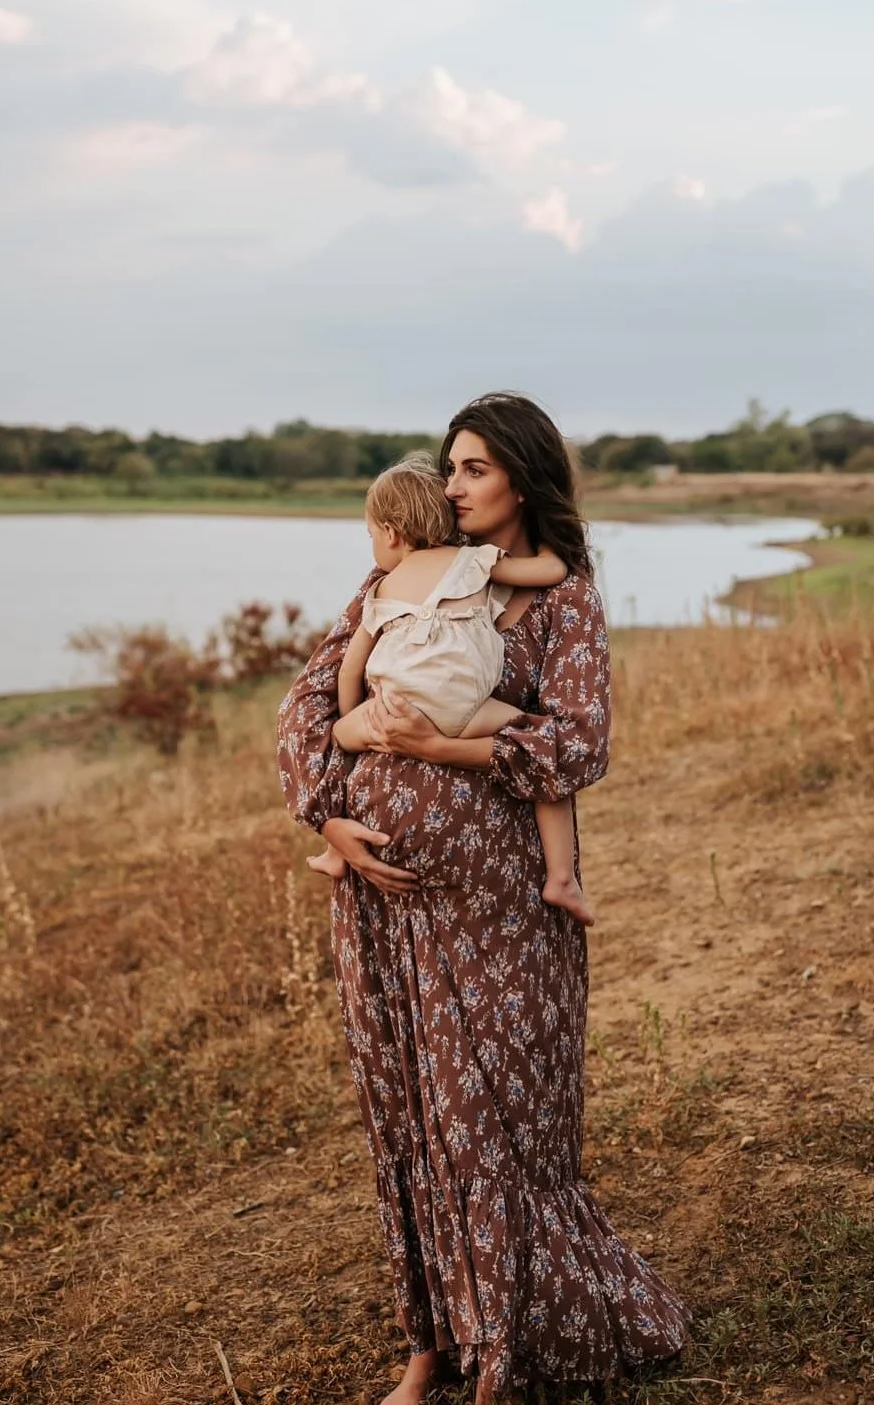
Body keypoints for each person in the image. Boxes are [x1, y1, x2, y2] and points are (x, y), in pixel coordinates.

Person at [278, 392, 686, 1405]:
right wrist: (328, 818)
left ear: (521, 479)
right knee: (410, 1115)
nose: (452, 486)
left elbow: (576, 744)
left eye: (472, 470)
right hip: (379, 902)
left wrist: (435, 747)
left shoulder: (561, 599)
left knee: (493, 1120)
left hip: (498, 909)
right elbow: (308, 702)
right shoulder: (395, 573)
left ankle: (505, 1344)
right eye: (448, 470)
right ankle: (428, 1345)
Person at [306, 451, 595, 925]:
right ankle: (562, 877)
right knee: (543, 753)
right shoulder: (473, 562)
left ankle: (334, 852)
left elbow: (347, 668)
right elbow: (551, 573)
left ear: (393, 533)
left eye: (371, 535)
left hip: (393, 706)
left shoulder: (383, 586)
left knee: (341, 739)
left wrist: (356, 718)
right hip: (467, 707)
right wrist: (550, 543)